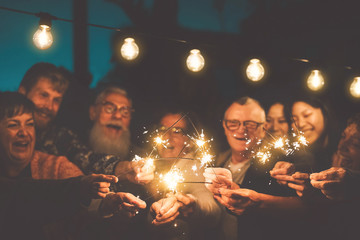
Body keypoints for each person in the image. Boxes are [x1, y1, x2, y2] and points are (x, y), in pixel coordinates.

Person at [0, 91, 147, 239]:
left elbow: (89, 205)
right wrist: (80, 187)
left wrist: (107, 201)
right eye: (13, 125)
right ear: (92, 112)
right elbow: (24, 193)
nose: (24, 133)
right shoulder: (66, 141)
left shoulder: (57, 166)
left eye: (30, 124)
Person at [17, 63, 142, 177]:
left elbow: (86, 158)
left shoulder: (59, 136)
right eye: (44, 95)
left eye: (56, 100)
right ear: (22, 92)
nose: (49, 106)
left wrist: (123, 167)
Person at [148, 111, 221, 239]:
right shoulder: (153, 170)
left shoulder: (196, 168)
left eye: (177, 131)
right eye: (163, 129)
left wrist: (193, 206)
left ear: (190, 141)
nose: (166, 136)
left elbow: (212, 210)